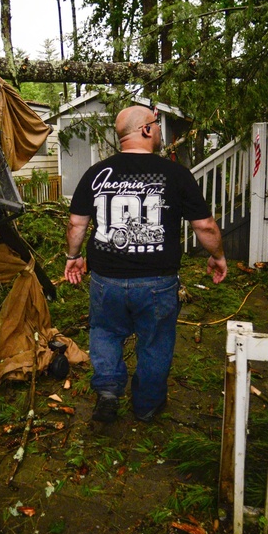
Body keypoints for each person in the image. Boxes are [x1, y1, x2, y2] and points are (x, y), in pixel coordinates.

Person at [64, 105, 227, 423]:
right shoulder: (175, 174)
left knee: (106, 333)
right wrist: (218, 256)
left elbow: (76, 224)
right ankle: (147, 406)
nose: (161, 132)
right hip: (157, 282)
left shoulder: (97, 173)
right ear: (147, 130)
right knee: (155, 342)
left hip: (106, 280)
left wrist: (73, 257)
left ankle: (109, 391)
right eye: (157, 125)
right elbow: (205, 226)